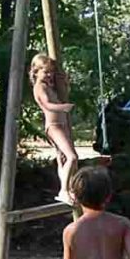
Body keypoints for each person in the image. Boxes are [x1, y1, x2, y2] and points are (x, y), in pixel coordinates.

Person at [31, 53, 78, 205]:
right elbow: (47, 105)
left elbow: (61, 93)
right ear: (36, 71)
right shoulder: (39, 87)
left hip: (61, 125)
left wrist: (65, 83)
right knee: (72, 157)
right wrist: (63, 107)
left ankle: (68, 188)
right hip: (54, 126)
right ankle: (63, 191)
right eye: (46, 72)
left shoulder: (49, 86)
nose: (49, 75)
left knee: (62, 159)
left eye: (51, 72)